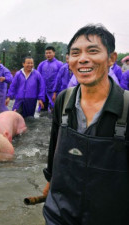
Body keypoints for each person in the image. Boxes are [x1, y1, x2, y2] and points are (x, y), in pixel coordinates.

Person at [43, 24, 129, 225]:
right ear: (69, 61)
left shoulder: (126, 107)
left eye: (93, 51)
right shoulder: (64, 101)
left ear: (111, 59)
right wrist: (49, 180)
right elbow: (54, 147)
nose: (82, 58)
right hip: (60, 215)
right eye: (75, 53)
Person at [37, 46, 63, 112]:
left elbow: (61, 79)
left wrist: (56, 91)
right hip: (44, 91)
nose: (48, 55)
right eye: (46, 53)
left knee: (54, 110)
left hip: (54, 91)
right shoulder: (42, 64)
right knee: (42, 110)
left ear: (54, 53)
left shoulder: (59, 64)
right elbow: (37, 77)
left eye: (50, 53)